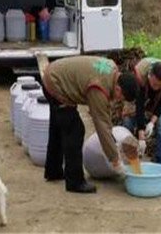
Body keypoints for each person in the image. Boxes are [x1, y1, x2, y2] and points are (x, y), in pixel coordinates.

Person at [40, 55, 138, 193]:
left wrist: (113, 141)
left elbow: (104, 114)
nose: (119, 100)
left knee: (58, 126)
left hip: (55, 74)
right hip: (56, 85)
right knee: (75, 130)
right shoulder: (98, 88)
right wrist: (115, 160)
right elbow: (101, 125)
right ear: (118, 89)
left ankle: (53, 171)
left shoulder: (112, 70)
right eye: (121, 98)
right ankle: (75, 182)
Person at [122, 57, 161, 166]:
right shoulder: (140, 75)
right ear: (150, 76)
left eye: (159, 85)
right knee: (128, 121)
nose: (156, 87)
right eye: (154, 84)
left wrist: (152, 122)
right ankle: (128, 158)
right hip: (138, 96)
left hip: (157, 98)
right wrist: (141, 135)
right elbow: (140, 105)